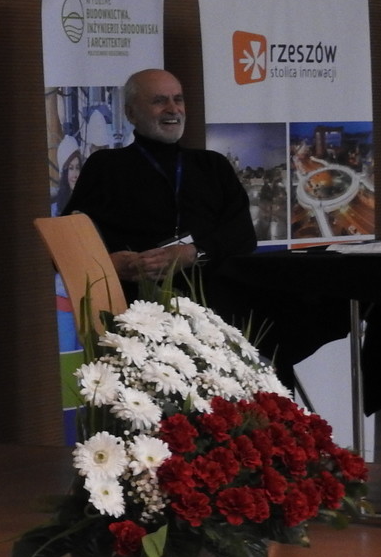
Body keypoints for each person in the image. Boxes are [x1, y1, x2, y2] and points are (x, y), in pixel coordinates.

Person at [65, 67, 344, 386]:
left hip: (218, 309)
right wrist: (109, 264)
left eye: (178, 99)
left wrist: (192, 253)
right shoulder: (106, 167)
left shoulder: (212, 166)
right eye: (159, 101)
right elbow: (69, 243)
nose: (172, 109)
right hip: (141, 315)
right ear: (131, 113)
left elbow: (242, 236)